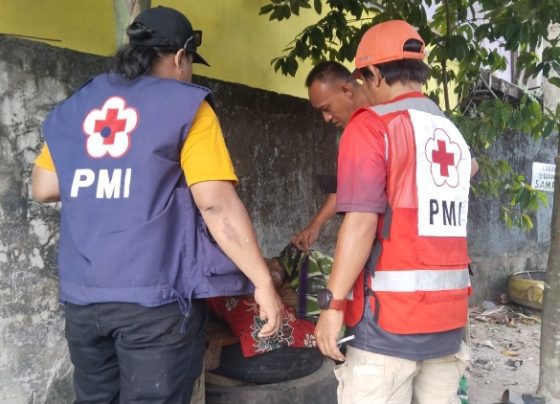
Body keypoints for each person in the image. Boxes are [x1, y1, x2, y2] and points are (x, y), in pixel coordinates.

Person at [31, 6, 282, 403]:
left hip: (84, 299)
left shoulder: (79, 104)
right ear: (181, 57)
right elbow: (216, 206)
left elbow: (43, 186)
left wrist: (108, 170)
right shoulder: (185, 105)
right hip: (155, 303)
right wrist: (263, 282)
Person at [314, 20, 475, 404]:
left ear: (373, 74)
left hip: (389, 325)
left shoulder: (372, 127)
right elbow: (469, 170)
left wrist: (333, 305)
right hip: (449, 323)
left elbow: (361, 222)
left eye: (364, 80)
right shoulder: (449, 132)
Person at [292, 61, 369, 251]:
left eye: (326, 108)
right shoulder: (353, 130)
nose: (326, 118)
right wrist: (316, 225)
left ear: (346, 90)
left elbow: (363, 217)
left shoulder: (387, 116)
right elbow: (346, 183)